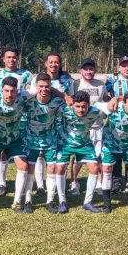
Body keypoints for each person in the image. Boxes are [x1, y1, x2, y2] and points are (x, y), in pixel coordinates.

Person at [0, 77, 31, 214]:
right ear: (1, 90)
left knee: (23, 165)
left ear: (17, 91)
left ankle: (17, 202)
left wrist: (65, 96)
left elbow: (41, 88)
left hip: (14, 138)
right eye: (7, 91)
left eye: (13, 91)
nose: (10, 94)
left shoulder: (23, 97)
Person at [0, 47, 32, 198]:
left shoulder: (26, 74)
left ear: (18, 58)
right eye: (8, 57)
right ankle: (2, 183)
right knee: (1, 153)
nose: (11, 59)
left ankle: (32, 185)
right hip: (0, 116)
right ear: (3, 59)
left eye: (14, 57)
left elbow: (41, 85)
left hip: (19, 117)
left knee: (23, 153)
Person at [29, 53, 74, 196]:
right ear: (46, 64)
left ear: (60, 64)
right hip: (42, 120)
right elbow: (35, 93)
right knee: (40, 154)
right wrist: (62, 95)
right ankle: (40, 185)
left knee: (60, 154)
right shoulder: (37, 78)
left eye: (56, 62)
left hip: (62, 122)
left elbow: (70, 99)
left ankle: (60, 183)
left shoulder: (67, 80)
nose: (54, 64)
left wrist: (66, 97)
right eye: (51, 62)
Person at [55, 91, 104, 213]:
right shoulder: (63, 110)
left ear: (89, 104)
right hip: (65, 144)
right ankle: (62, 201)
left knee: (94, 167)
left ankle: (88, 202)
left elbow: (109, 109)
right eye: (77, 106)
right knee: (60, 168)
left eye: (84, 106)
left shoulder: (95, 112)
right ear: (72, 105)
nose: (81, 109)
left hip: (84, 144)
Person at [22, 73, 66, 213]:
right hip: (31, 140)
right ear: (36, 86)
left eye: (47, 86)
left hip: (50, 140)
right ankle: (28, 201)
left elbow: (65, 113)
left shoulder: (57, 102)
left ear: (51, 87)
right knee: (30, 170)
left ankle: (50, 201)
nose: (44, 89)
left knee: (51, 169)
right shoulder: (28, 101)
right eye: (41, 86)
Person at [68, 58, 108, 196]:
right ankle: (74, 183)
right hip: (81, 127)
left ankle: (99, 183)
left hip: (97, 126)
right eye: (86, 69)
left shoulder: (101, 85)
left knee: (98, 156)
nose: (88, 72)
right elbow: (70, 101)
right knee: (78, 157)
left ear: (95, 70)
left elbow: (105, 100)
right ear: (81, 71)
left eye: (91, 69)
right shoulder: (75, 84)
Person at [104, 55, 128, 193]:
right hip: (116, 122)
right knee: (116, 152)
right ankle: (116, 181)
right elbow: (105, 96)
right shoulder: (112, 80)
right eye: (124, 66)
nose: (127, 68)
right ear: (119, 67)